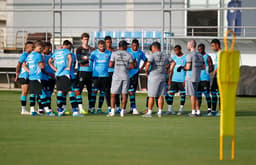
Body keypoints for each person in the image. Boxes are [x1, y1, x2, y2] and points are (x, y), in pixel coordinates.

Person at [48, 40, 80, 117]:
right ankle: (75, 111)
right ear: (68, 46)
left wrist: (55, 70)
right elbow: (70, 59)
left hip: (58, 74)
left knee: (60, 91)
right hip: (66, 74)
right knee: (70, 91)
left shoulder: (56, 52)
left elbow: (49, 61)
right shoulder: (66, 51)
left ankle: (60, 110)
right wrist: (68, 67)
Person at [23, 41, 53, 116]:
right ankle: (47, 111)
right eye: (41, 48)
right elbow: (42, 66)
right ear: (38, 47)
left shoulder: (29, 55)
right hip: (37, 76)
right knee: (42, 93)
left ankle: (32, 110)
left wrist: (29, 71)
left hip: (31, 77)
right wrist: (43, 61)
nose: (41, 50)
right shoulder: (38, 55)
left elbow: (23, 64)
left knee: (32, 93)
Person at [143, 42, 172, 118]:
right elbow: (173, 62)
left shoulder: (152, 55)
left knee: (151, 95)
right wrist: (169, 70)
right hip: (162, 76)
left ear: (154, 47)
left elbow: (148, 64)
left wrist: (146, 71)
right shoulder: (165, 55)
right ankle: (160, 111)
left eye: (152, 48)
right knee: (161, 95)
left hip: (153, 77)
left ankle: (149, 112)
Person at [108, 40, 135, 117]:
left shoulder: (114, 53)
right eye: (126, 45)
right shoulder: (129, 55)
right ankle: (122, 111)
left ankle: (112, 111)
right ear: (124, 46)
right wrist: (126, 67)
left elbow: (110, 65)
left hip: (116, 76)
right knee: (124, 94)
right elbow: (132, 66)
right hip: (126, 76)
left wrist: (117, 66)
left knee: (113, 94)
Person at [178, 40, 204, 117]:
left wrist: (182, 67)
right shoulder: (200, 55)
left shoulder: (189, 55)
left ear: (191, 45)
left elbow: (188, 67)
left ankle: (193, 112)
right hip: (197, 77)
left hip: (190, 77)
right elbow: (203, 67)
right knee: (194, 94)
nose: (187, 46)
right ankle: (198, 111)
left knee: (192, 95)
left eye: (188, 44)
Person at [90, 40, 111, 114]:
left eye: (103, 45)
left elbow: (112, 62)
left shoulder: (108, 53)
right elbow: (90, 62)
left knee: (104, 92)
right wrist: (90, 71)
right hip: (96, 75)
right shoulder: (94, 53)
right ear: (98, 46)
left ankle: (100, 108)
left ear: (104, 45)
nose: (101, 47)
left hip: (105, 75)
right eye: (100, 46)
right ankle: (92, 108)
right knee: (94, 92)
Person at [76, 33, 95, 112]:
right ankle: (78, 107)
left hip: (90, 72)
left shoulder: (92, 49)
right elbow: (80, 60)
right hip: (82, 72)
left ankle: (91, 107)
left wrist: (86, 58)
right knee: (79, 90)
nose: (86, 41)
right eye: (84, 39)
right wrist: (88, 58)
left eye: (87, 39)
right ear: (81, 40)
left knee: (90, 90)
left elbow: (95, 60)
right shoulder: (79, 49)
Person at [127, 39, 147, 114]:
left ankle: (133, 108)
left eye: (136, 45)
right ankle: (125, 108)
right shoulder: (127, 50)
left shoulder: (140, 53)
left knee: (132, 92)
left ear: (138, 45)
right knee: (125, 91)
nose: (135, 47)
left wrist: (141, 68)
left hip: (134, 74)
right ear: (131, 45)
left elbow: (145, 60)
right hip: (126, 73)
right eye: (133, 45)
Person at [165, 45, 186, 116]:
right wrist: (170, 79)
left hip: (182, 79)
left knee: (182, 95)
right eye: (175, 50)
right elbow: (171, 70)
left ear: (180, 49)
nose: (176, 52)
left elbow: (187, 70)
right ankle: (170, 109)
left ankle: (181, 109)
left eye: (177, 50)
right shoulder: (173, 58)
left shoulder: (185, 58)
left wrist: (185, 80)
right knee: (171, 94)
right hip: (174, 79)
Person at [15, 41, 34, 115]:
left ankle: (31, 108)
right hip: (24, 76)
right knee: (25, 92)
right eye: (32, 47)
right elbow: (19, 64)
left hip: (30, 76)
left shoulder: (31, 55)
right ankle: (23, 110)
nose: (33, 48)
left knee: (31, 92)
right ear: (27, 47)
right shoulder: (24, 55)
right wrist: (17, 73)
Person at [104, 36, 121, 113]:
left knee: (116, 90)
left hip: (115, 72)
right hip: (106, 72)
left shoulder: (114, 51)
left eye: (110, 42)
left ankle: (118, 106)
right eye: (107, 42)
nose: (109, 44)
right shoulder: (103, 51)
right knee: (107, 90)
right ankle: (109, 106)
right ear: (105, 43)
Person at [197, 43, 214, 115]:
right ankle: (198, 111)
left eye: (201, 49)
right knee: (198, 95)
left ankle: (209, 110)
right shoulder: (197, 57)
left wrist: (207, 71)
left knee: (207, 94)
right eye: (198, 49)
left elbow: (211, 67)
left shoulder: (207, 57)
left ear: (204, 49)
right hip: (198, 79)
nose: (199, 50)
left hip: (205, 79)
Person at [40, 42, 55, 114]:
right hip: (44, 77)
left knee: (49, 93)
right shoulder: (41, 56)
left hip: (51, 77)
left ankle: (48, 107)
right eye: (48, 48)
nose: (50, 49)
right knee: (43, 93)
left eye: (50, 48)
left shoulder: (52, 55)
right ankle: (41, 108)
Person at [210, 39, 222, 116]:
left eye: (213, 46)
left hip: (220, 77)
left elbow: (221, 64)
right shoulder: (218, 53)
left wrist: (215, 71)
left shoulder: (221, 53)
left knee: (220, 94)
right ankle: (213, 111)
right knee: (213, 93)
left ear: (217, 45)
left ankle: (221, 111)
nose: (212, 48)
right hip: (216, 77)